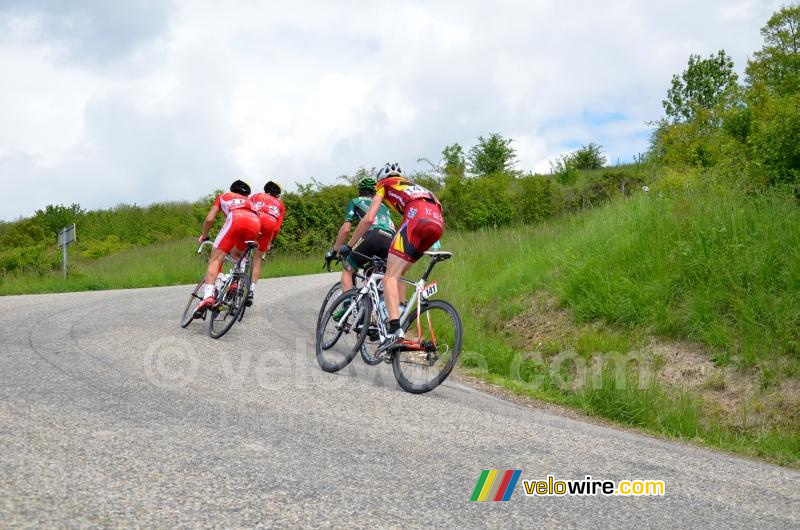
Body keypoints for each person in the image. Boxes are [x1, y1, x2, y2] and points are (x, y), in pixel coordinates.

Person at [339, 163, 444, 352]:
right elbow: (437, 207)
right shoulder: (418, 187)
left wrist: (349, 245)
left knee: (390, 276)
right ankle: (401, 309)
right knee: (400, 271)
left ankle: (395, 330)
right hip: (436, 223)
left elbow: (369, 218)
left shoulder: (384, 184)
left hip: (415, 217)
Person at [195, 179, 261, 315]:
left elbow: (209, 219)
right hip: (255, 223)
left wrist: (204, 235)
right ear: (247, 195)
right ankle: (235, 282)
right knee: (237, 255)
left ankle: (207, 297)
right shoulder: (251, 203)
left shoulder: (224, 196)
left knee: (215, 259)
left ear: (232, 190)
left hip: (236, 218)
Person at [327, 176, 396, 294]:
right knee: (374, 275)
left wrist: (334, 251)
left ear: (359, 191)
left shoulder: (356, 201)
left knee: (348, 270)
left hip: (373, 235)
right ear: (375, 193)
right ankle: (373, 305)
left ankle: (349, 306)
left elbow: (345, 229)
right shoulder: (383, 206)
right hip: (391, 239)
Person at [249, 181, 286, 302]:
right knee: (258, 258)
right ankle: (251, 290)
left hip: (254, 221)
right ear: (278, 195)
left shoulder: (256, 196)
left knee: (239, 250)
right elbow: (276, 229)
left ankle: (234, 279)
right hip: (269, 225)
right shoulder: (280, 205)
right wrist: (269, 242)